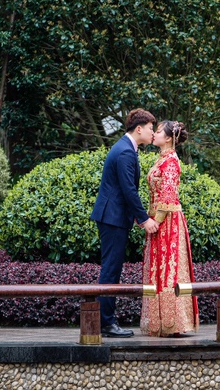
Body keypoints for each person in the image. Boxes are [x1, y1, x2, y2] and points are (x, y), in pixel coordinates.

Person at [91, 108, 160, 338]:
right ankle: (105, 323)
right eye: (150, 128)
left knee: (111, 268)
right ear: (139, 129)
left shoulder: (126, 148)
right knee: (111, 269)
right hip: (112, 218)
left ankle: (104, 321)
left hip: (113, 217)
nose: (153, 133)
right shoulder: (124, 152)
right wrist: (144, 219)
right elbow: (128, 190)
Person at [141, 120, 199, 337]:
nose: (154, 134)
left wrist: (155, 221)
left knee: (169, 269)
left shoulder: (172, 161)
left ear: (167, 138)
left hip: (168, 223)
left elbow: (168, 195)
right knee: (158, 268)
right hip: (159, 220)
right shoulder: (162, 159)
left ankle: (173, 323)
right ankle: (160, 322)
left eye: (158, 131)